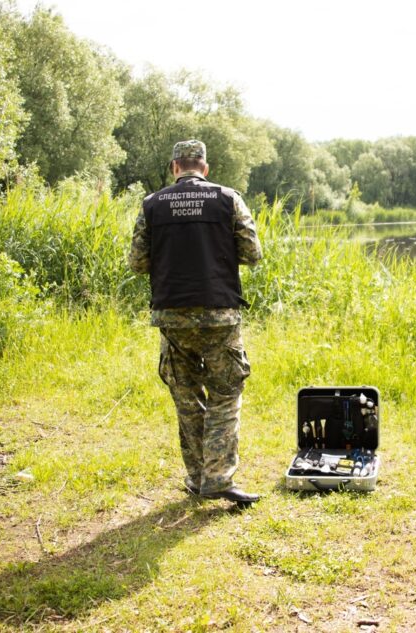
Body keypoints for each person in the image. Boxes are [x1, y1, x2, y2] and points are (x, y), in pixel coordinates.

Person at [129, 139, 262, 505]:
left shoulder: (152, 205)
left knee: (187, 397)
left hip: (172, 316)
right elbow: (252, 254)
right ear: (205, 166)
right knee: (225, 394)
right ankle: (217, 478)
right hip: (219, 313)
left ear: (175, 167)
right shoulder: (228, 199)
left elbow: (137, 263)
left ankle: (197, 476)